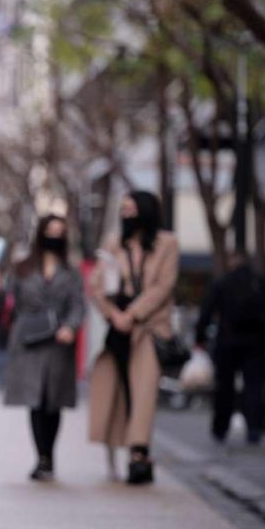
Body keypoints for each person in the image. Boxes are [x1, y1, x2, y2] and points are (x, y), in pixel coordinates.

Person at [88, 191, 178, 485]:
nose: (126, 214)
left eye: (131, 208)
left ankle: (139, 453)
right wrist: (114, 315)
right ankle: (126, 448)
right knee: (120, 390)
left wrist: (134, 314)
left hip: (149, 328)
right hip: (119, 328)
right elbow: (97, 285)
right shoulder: (114, 243)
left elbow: (163, 287)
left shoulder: (167, 243)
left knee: (144, 392)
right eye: (123, 209)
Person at [2, 214, 85, 481]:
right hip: (29, 341)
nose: (55, 235)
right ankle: (42, 458)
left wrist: (70, 327)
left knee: (53, 402)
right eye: (51, 230)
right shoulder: (23, 267)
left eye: (60, 231)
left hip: (58, 342)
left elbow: (77, 305)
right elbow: (7, 297)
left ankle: (49, 455)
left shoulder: (71, 272)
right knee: (35, 400)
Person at [195, 252, 265, 445]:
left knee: (224, 388)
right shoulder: (258, 282)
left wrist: (200, 337)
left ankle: (220, 428)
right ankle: (254, 428)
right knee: (254, 388)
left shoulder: (222, 283)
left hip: (227, 342)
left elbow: (207, 310)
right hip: (256, 343)